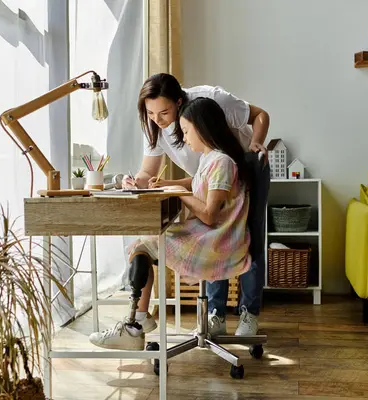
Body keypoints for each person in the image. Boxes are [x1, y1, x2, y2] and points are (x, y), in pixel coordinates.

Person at [115, 73, 270, 340]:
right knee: (164, 238)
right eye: (150, 113)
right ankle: (215, 313)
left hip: (242, 168)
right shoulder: (202, 153)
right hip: (213, 184)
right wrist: (144, 182)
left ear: (179, 103)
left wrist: (255, 144)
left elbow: (260, 115)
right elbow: (161, 172)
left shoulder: (210, 102)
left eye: (164, 113)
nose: (158, 121)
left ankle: (248, 312)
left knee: (251, 238)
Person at [89, 97, 253, 350]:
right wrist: (166, 185)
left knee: (141, 247)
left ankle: (135, 326)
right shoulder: (212, 159)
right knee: (141, 245)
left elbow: (209, 214)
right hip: (210, 236)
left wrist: (178, 192)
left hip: (216, 243)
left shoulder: (221, 162)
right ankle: (138, 322)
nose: (184, 139)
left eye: (186, 131)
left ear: (202, 128)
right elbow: (198, 182)